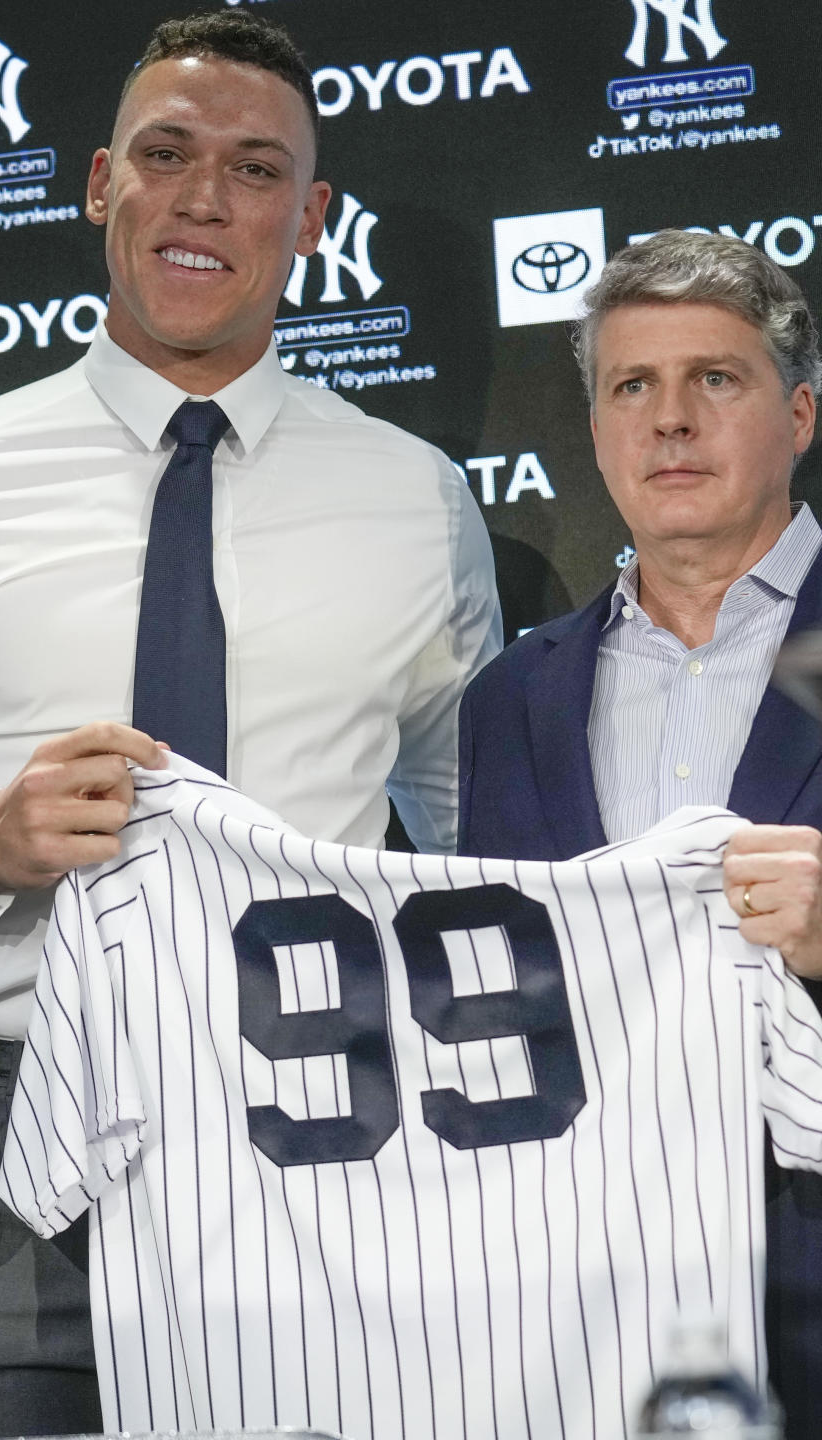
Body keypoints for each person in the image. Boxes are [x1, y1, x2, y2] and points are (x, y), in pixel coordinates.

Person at [0, 13, 502, 1438]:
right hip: (13, 1145)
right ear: (102, 185)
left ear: (313, 217)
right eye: (168, 154)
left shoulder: (417, 502)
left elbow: (489, 861)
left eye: (257, 168)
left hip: (326, 1137)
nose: (207, 196)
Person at [458, 228, 822, 1438]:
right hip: (587, 1295)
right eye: (633, 386)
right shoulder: (511, 698)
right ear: (601, 426)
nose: (670, 419)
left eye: (714, 379)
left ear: (801, 412)